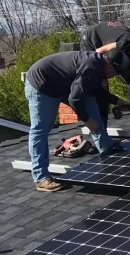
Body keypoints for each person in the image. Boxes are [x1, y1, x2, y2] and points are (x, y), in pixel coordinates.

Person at [24, 49, 119, 192]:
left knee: (90, 103)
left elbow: (95, 91)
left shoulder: (98, 65)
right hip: (43, 85)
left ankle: (107, 147)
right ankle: (41, 178)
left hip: (63, 84)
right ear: (111, 66)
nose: (114, 76)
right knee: (40, 130)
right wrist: (87, 120)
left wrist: (118, 101)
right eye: (116, 73)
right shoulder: (91, 66)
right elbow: (74, 99)